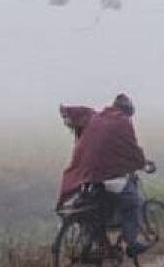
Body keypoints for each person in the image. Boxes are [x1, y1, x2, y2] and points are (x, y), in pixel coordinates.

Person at [58, 94, 155, 257]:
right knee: (134, 202)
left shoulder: (96, 118)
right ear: (127, 112)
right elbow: (131, 150)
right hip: (108, 175)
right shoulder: (122, 122)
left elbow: (77, 116)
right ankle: (129, 244)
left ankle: (99, 244)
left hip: (87, 176)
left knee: (95, 210)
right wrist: (142, 162)